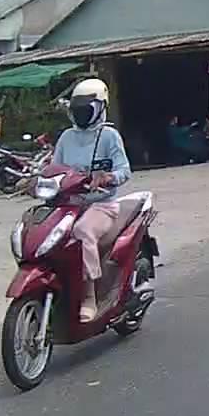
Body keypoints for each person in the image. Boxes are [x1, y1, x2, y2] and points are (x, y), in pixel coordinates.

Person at [52, 78, 132, 322]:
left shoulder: (109, 136)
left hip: (102, 205)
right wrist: (34, 181)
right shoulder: (66, 137)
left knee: (83, 231)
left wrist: (109, 177)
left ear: (99, 107)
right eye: (77, 108)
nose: (81, 113)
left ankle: (89, 297)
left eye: (85, 108)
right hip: (69, 204)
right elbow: (54, 169)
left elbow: (124, 170)